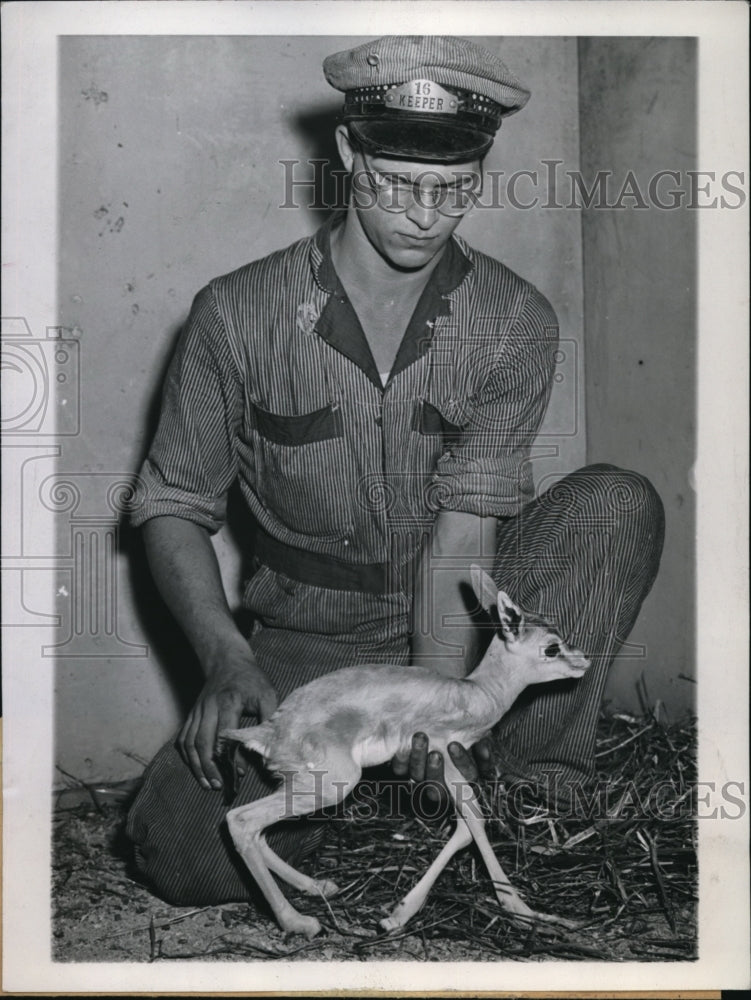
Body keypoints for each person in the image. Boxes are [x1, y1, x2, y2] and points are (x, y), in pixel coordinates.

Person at [127, 35, 665, 906]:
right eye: (396, 183)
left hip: (457, 609)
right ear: (348, 153)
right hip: (312, 635)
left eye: (454, 188)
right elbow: (170, 506)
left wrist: (438, 701)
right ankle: (386, 793)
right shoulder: (235, 314)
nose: (424, 213)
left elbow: (464, 537)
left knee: (613, 503)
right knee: (177, 859)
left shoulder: (513, 319)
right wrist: (224, 657)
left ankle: (527, 784)